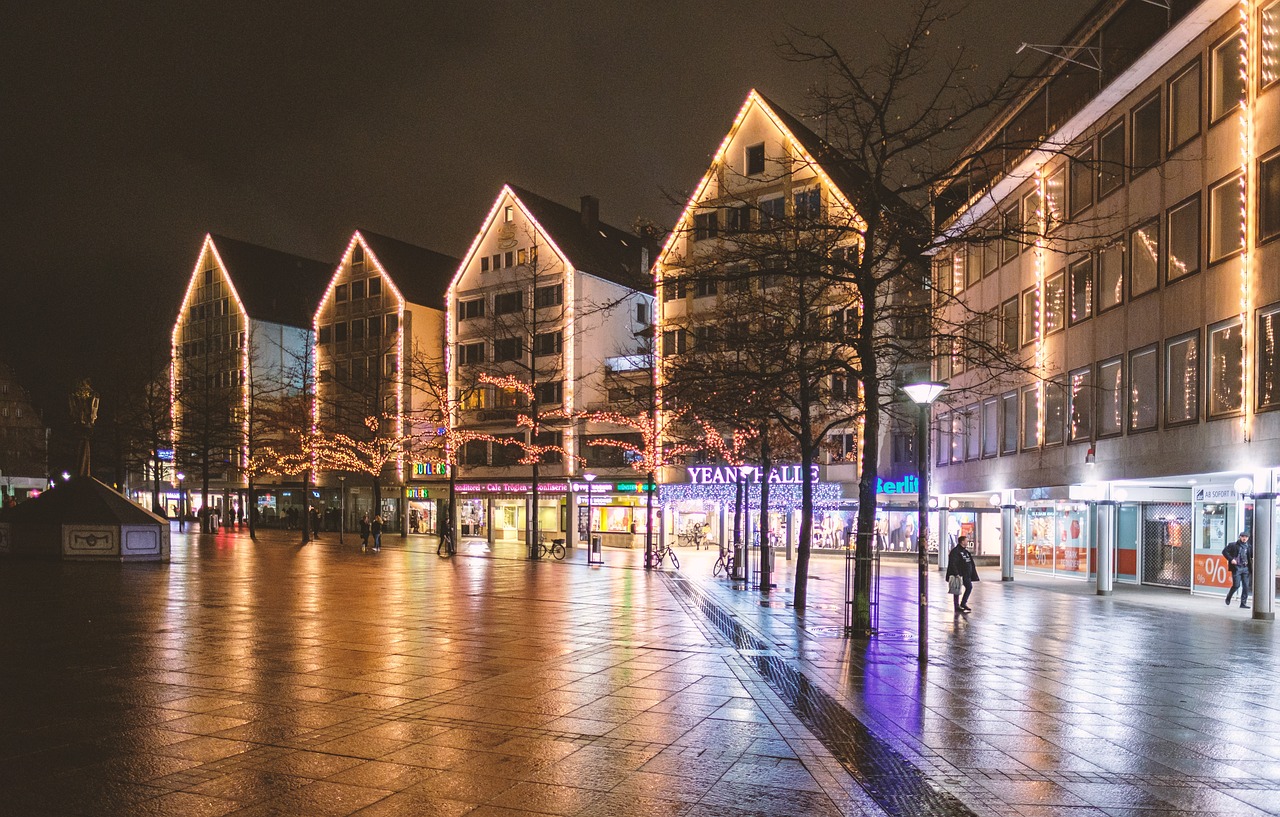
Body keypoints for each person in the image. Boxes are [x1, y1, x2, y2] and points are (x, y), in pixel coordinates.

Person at [946, 534, 980, 613]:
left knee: (969, 587)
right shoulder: (955, 551)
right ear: (962, 542)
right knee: (957, 589)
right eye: (966, 540)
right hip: (959, 574)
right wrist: (956, 573)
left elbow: (970, 562)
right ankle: (957, 605)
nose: (967, 541)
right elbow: (953, 563)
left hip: (966, 574)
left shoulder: (966, 551)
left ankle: (963, 603)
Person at [1223, 531, 1252, 609]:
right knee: (1236, 585)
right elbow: (1224, 552)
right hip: (1237, 568)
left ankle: (1243, 603)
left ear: (1248, 538)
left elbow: (1251, 556)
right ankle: (1229, 597)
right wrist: (1231, 559)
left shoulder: (1249, 547)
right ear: (1240, 537)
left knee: (1246, 586)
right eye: (1243, 537)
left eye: (1246, 537)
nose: (1244, 538)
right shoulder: (1233, 545)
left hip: (1245, 568)